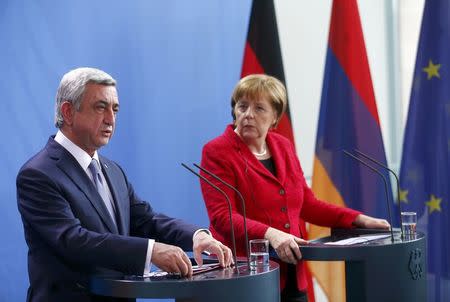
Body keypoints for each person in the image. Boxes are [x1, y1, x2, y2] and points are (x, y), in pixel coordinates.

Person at [16, 67, 233, 302]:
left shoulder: (113, 170)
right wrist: (151, 251)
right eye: (100, 107)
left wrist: (196, 236)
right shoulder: (38, 174)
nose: (111, 119)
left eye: (115, 109)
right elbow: (74, 240)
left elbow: (146, 220)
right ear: (68, 112)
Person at [199, 74, 390, 302]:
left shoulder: (283, 146)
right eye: (242, 106)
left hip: (292, 273)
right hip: (246, 278)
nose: (248, 114)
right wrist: (272, 235)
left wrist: (358, 219)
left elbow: (307, 204)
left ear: (275, 117)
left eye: (259, 108)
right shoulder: (217, 151)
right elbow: (223, 217)